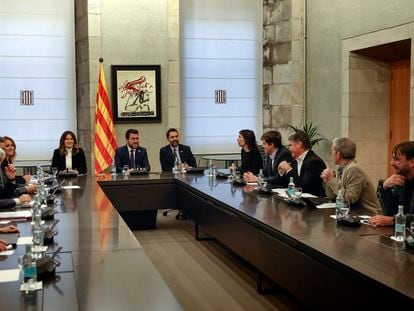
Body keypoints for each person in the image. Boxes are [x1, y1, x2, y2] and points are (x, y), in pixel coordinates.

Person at [321, 137, 380, 214]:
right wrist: (327, 181)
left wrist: (332, 181)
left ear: (338, 154)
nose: (331, 154)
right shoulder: (341, 168)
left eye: (332, 151)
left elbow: (349, 199)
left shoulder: (354, 169)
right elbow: (332, 197)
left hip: (367, 214)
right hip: (350, 212)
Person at [369, 141, 414, 227]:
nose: (391, 163)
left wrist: (394, 220)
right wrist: (384, 189)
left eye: (396, 159)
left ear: (411, 162)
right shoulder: (401, 180)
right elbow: (389, 213)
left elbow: (391, 219)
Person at [278, 130, 326, 197]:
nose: (289, 148)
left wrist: (289, 170)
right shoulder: (295, 160)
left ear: (299, 144)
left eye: (290, 145)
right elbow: (285, 183)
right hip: (299, 200)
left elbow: (302, 187)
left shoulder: (314, 162)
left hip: (314, 202)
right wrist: (282, 171)